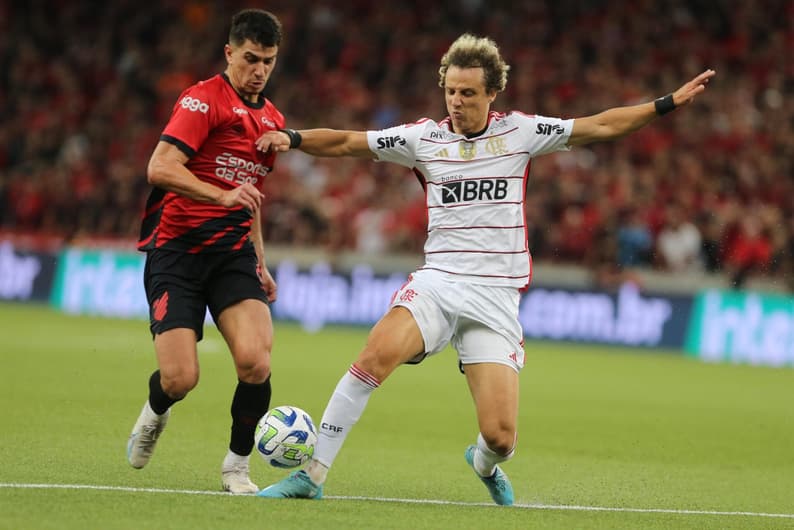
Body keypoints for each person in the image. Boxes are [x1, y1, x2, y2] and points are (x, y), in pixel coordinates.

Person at [254, 34, 715, 505]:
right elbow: (349, 141)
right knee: (374, 357)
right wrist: (292, 138)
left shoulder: (521, 132)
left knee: (500, 437)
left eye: (468, 92)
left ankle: (482, 461)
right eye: (451, 91)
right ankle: (313, 474)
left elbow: (598, 126)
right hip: (437, 283)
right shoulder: (423, 139)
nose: (457, 101)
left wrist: (666, 104)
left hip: (496, 296)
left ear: (492, 93)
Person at [126, 9, 287, 494]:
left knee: (256, 362)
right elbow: (160, 167)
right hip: (177, 252)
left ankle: (237, 466)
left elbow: (251, 194)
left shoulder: (273, 120)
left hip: (232, 256)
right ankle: (155, 412)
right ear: (229, 53)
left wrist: (260, 259)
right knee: (180, 378)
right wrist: (220, 195)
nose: (259, 70)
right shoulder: (201, 101)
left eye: (269, 61)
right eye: (250, 59)